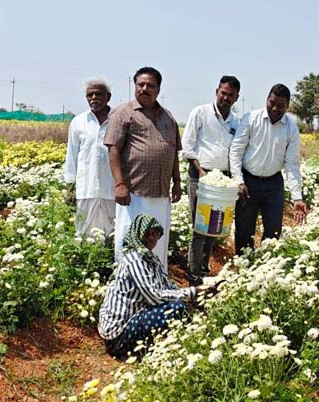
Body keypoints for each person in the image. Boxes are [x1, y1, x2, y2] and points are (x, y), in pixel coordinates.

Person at [105, 67, 183, 267]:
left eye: (150, 86)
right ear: (135, 86)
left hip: (161, 193)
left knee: (157, 240)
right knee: (131, 238)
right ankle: (129, 282)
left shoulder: (168, 117)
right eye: (141, 84)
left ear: (158, 89)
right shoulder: (123, 113)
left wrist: (177, 181)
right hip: (134, 193)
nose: (144, 89)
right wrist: (119, 184)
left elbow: (173, 151)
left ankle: (156, 283)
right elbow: (113, 149)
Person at [98, 214, 203, 360]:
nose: (151, 238)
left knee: (186, 304)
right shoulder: (135, 260)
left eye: (155, 234)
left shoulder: (151, 259)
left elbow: (168, 287)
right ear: (137, 234)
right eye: (146, 233)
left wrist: (194, 295)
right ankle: (145, 352)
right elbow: (154, 297)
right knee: (176, 308)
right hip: (119, 335)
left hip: (134, 321)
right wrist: (191, 293)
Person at [229, 84, 308, 254]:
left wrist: (297, 198)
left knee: (273, 232)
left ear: (287, 106)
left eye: (281, 106)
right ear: (267, 99)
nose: (274, 108)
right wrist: (238, 181)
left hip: (273, 184)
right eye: (272, 103)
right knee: (244, 230)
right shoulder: (251, 119)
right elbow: (236, 151)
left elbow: (292, 165)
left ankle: (264, 271)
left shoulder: (291, 129)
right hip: (248, 182)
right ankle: (243, 270)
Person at [181, 75, 241, 285]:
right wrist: (200, 172)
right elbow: (187, 146)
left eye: (230, 95)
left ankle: (204, 269)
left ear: (236, 98)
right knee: (200, 228)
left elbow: (235, 153)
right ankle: (194, 275)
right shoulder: (200, 113)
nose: (226, 98)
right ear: (217, 91)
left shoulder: (236, 121)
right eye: (223, 93)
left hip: (221, 181)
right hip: (200, 176)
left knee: (214, 229)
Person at [65, 77, 115, 242]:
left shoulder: (118, 120)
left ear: (108, 97)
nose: (94, 98)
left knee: (113, 233)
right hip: (86, 188)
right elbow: (71, 156)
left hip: (112, 189)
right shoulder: (79, 122)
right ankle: (85, 264)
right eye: (90, 95)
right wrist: (70, 187)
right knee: (84, 233)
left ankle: (110, 265)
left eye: (99, 94)